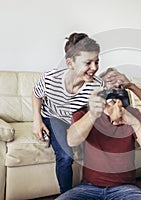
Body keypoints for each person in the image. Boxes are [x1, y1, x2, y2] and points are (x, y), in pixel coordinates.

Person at [56, 68, 141, 200]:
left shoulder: (133, 114)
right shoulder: (85, 113)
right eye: (110, 82)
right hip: (88, 187)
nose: (115, 87)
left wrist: (134, 122)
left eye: (119, 84)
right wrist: (93, 114)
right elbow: (71, 141)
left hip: (125, 189)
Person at [32, 32, 103, 193]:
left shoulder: (97, 85)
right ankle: (66, 195)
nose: (94, 68)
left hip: (78, 119)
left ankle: (95, 189)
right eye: (88, 63)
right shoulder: (51, 78)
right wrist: (37, 120)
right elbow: (36, 94)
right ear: (70, 63)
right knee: (66, 157)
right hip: (54, 117)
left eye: (97, 62)